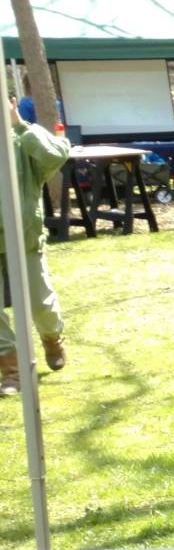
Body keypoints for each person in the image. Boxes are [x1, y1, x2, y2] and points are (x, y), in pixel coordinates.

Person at [2, 97, 70, 397]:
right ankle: (11, 370)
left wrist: (18, 123)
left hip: (23, 236)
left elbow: (56, 155)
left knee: (40, 303)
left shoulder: (24, 138)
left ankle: (52, 339)